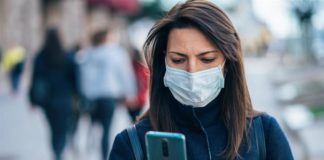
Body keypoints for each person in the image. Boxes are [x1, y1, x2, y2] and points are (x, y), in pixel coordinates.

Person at [109, 1, 294, 160]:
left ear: (228, 63)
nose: (192, 71)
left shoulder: (264, 133)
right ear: (164, 62)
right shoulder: (132, 144)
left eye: (207, 59)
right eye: (178, 60)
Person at [77, 29, 137, 160]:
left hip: (92, 97)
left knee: (92, 126)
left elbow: (84, 77)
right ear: (106, 38)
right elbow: (125, 74)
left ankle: (89, 150)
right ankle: (104, 155)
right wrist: (130, 93)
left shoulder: (88, 53)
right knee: (107, 129)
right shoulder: (117, 53)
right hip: (109, 97)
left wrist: (85, 94)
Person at [29, 28, 76, 160]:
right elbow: (75, 79)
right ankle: (59, 152)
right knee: (63, 128)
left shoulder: (40, 57)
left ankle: (57, 152)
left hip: (47, 101)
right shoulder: (67, 55)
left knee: (53, 129)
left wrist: (32, 100)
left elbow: (35, 79)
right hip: (64, 99)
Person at [125, 48, 149, 123]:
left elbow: (144, 85)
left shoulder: (139, 68)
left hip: (136, 99)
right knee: (134, 119)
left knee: (134, 119)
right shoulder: (129, 67)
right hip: (134, 99)